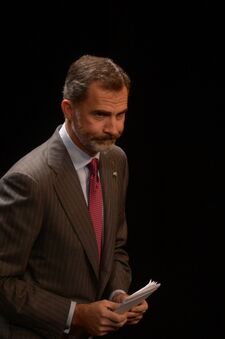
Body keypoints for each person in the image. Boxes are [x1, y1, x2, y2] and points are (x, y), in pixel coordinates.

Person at [0, 54, 148, 338]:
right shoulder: (28, 180)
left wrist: (119, 296)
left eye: (121, 115)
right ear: (68, 109)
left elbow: (115, 247)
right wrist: (76, 315)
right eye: (101, 115)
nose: (114, 129)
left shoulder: (116, 160)